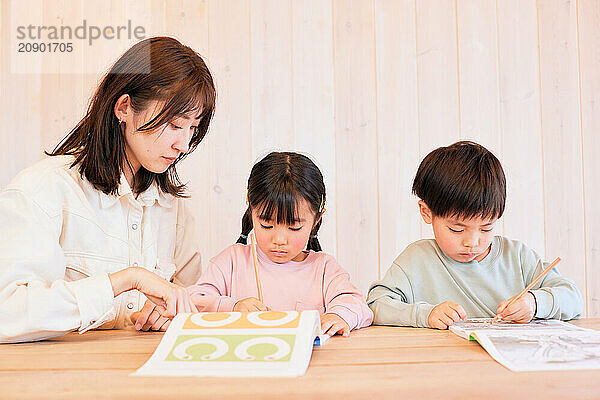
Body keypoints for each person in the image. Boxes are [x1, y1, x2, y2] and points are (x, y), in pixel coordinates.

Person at [0, 36, 216, 343]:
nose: (183, 145)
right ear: (124, 107)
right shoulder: (45, 189)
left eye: (193, 129)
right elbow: (5, 313)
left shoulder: (172, 208)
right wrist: (127, 280)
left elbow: (192, 300)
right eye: (175, 125)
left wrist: (172, 312)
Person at [367, 141, 583, 329]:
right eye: (457, 229)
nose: (472, 242)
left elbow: (573, 298)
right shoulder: (416, 260)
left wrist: (535, 303)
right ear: (426, 212)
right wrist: (426, 315)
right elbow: (375, 305)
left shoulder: (517, 257)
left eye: (486, 228)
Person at [185, 152, 373, 337]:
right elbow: (194, 300)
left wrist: (337, 315)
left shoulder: (324, 269)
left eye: (294, 227)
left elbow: (357, 304)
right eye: (266, 225)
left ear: (316, 219)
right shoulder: (231, 261)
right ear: (251, 210)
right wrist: (232, 306)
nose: (279, 240)